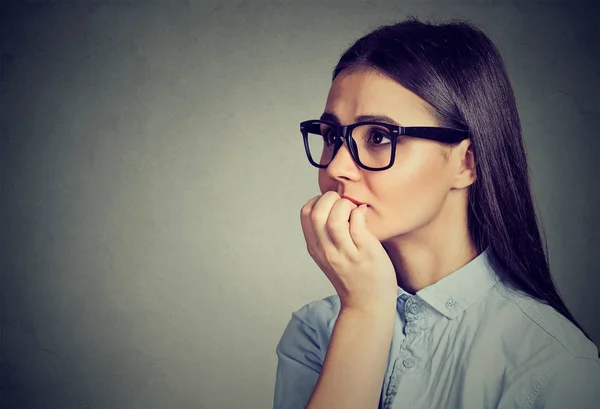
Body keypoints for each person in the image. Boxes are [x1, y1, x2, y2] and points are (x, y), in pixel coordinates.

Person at [272, 17, 600, 409]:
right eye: (331, 137)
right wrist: (364, 312)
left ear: (467, 163)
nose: (336, 167)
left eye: (378, 136)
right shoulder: (314, 331)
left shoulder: (552, 365)